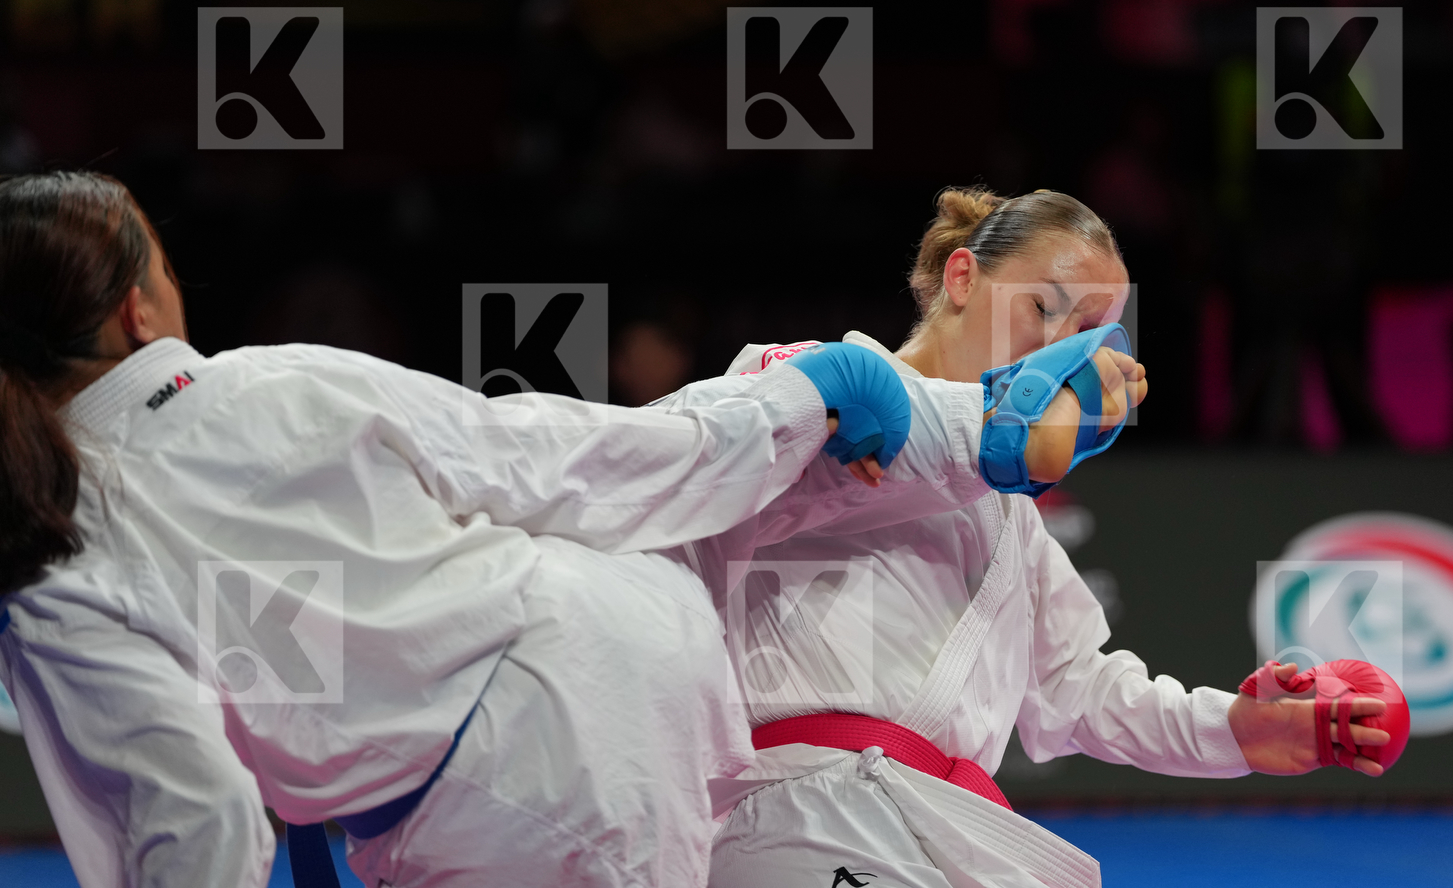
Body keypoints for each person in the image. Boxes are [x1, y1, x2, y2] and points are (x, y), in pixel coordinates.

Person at [0, 173, 1094, 888]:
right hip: (627, 648)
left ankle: (932, 417)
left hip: (514, 789)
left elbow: (193, 817)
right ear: (139, 312)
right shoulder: (275, 379)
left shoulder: (54, 558)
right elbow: (546, 460)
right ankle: (951, 421)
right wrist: (803, 400)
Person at [654, 187, 1391, 888]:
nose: (1059, 353)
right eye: (1043, 308)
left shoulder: (1011, 522)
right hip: (802, 813)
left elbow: (1080, 688)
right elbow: (800, 446)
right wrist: (1015, 435)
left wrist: (1237, 730)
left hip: (938, 827)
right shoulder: (812, 380)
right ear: (964, 276)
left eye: (1085, 337)